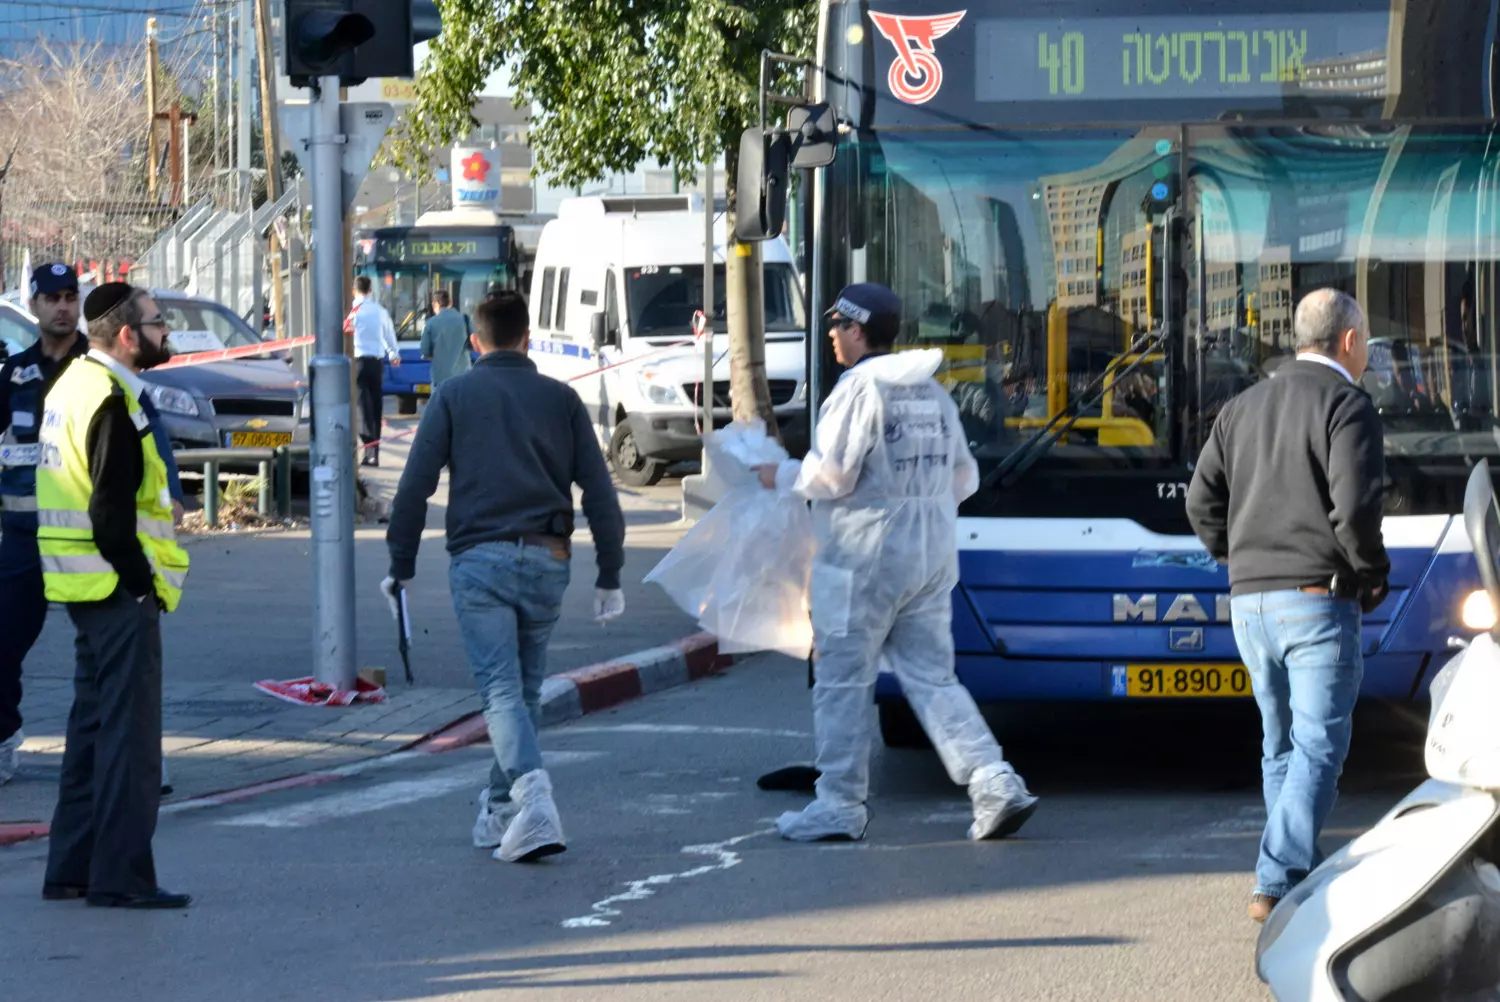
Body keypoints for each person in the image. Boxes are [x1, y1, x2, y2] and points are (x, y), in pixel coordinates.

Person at [756, 282, 1038, 843]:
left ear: (857, 330)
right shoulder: (931, 392)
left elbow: (831, 475)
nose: (832, 337)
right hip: (931, 557)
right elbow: (965, 479)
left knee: (841, 681)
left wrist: (780, 475)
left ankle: (839, 804)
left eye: (837, 327)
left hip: (861, 558)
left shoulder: (858, 391)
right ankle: (994, 780)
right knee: (934, 679)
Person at [383, 291, 626, 863]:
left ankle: (532, 796)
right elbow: (600, 492)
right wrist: (610, 572)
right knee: (524, 691)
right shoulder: (562, 399)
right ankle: (499, 811)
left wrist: (400, 566)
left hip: (480, 560)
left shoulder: (453, 396)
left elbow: (414, 486)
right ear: (527, 339)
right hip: (548, 559)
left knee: (499, 690)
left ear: (475, 341)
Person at [1186, 288, 1389, 924]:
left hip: (1249, 605)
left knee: (1281, 746)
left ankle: (1289, 871)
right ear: (1349, 341)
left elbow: (1200, 503)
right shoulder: (1347, 405)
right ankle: (1276, 878)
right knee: (1320, 747)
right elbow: (1355, 509)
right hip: (1316, 602)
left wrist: (1239, 557)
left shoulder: (1241, 406)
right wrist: (1372, 572)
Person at [34, 281, 192, 908]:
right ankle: (122, 878)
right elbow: (110, 513)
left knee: (91, 734)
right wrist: (141, 586)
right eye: (156, 323)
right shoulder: (109, 397)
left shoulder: (71, 385)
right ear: (127, 335)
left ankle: (70, 868)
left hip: (80, 586)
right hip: (116, 589)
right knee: (128, 741)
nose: (165, 334)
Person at [0, 263, 87, 785]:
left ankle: (121, 748)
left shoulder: (98, 366)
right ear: (32, 306)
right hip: (23, 537)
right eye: (51, 297)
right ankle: (4, 734)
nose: (62, 306)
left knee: (106, 648)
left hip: (87, 538)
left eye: (70, 296)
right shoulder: (14, 374)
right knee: (3, 642)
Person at [349, 275, 400, 467]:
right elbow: (389, 334)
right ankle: (373, 453)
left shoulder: (353, 311)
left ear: (354, 291)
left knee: (362, 407)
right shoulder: (380, 311)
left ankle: (368, 451)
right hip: (377, 363)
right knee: (376, 406)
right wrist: (394, 354)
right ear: (370, 291)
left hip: (358, 363)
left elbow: (344, 330)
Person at [419, 290, 473, 389]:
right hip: (463, 376)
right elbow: (473, 344)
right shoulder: (465, 319)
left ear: (434, 304)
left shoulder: (430, 323)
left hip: (440, 378)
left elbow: (425, 351)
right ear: (451, 302)